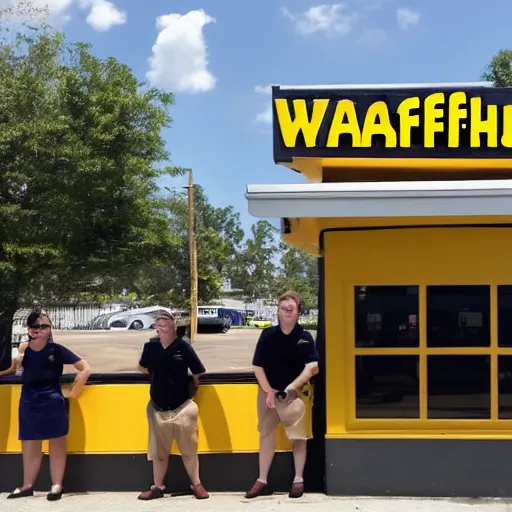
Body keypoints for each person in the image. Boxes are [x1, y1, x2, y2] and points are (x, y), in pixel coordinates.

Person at [7, 311, 91, 501]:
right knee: (29, 444)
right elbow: (10, 368)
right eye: (35, 327)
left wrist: (71, 394)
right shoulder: (22, 350)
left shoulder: (57, 350)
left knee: (57, 442)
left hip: (52, 399)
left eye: (43, 326)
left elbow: (85, 368)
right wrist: (15, 359)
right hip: (29, 399)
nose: (39, 330)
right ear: (28, 329)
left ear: (50, 329)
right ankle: (27, 485)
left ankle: (56, 485)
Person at [245, 291, 319, 499]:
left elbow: (312, 367)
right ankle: (262, 481)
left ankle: (298, 479)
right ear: (277, 311)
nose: (287, 311)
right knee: (266, 435)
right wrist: (269, 391)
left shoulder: (304, 338)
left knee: (298, 438)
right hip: (268, 395)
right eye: (283, 308)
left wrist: (290, 388)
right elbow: (257, 366)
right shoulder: (267, 335)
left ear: (298, 313)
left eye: (291, 308)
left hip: (295, 396)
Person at [137, 311, 209, 500]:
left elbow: (197, 372)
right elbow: (143, 366)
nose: (161, 324)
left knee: (189, 450)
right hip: (157, 408)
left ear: (174, 325)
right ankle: (158, 487)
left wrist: (192, 390)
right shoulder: (150, 347)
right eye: (158, 321)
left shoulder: (183, 347)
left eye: (165, 320)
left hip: (182, 407)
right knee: (159, 452)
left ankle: (197, 484)